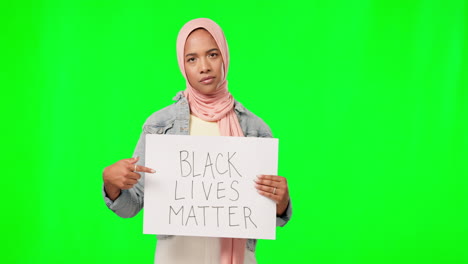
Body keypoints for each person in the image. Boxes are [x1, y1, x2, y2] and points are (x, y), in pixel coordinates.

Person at [102, 18, 292, 264]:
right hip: (176, 257)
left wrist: (281, 201)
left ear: (224, 56)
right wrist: (111, 184)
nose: (204, 66)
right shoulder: (160, 126)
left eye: (212, 54)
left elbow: (268, 217)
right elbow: (132, 206)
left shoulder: (256, 129)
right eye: (192, 59)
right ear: (183, 65)